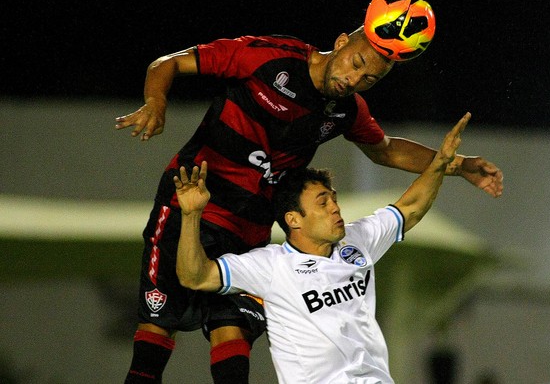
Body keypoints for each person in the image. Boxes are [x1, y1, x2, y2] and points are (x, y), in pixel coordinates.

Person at [115, 26, 503, 383]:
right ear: (340, 43)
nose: (354, 80)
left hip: (253, 224)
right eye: (355, 64)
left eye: (369, 79)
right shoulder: (270, 57)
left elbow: (385, 151)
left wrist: (461, 166)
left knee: (230, 327)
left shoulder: (345, 110)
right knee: (157, 321)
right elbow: (167, 63)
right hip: (193, 200)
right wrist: (155, 102)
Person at [173, 112, 469, 383]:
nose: (335, 208)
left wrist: (440, 164)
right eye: (323, 202)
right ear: (294, 220)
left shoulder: (357, 241)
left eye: (334, 199)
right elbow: (194, 276)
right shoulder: (271, 266)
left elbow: (411, 208)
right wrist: (190, 215)